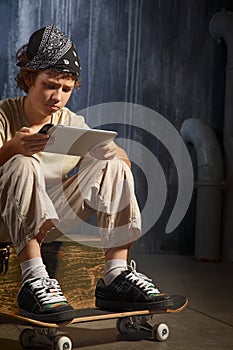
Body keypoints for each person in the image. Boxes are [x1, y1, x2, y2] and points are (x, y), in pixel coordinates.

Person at [0, 25, 173, 323]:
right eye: (49, 85)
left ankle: (115, 275)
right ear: (28, 79)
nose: (57, 96)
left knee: (114, 163)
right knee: (23, 163)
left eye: (66, 89)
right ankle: (33, 277)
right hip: (6, 220)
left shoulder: (71, 122)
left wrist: (117, 155)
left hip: (52, 220)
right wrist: (12, 148)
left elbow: (119, 172)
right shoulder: (4, 114)